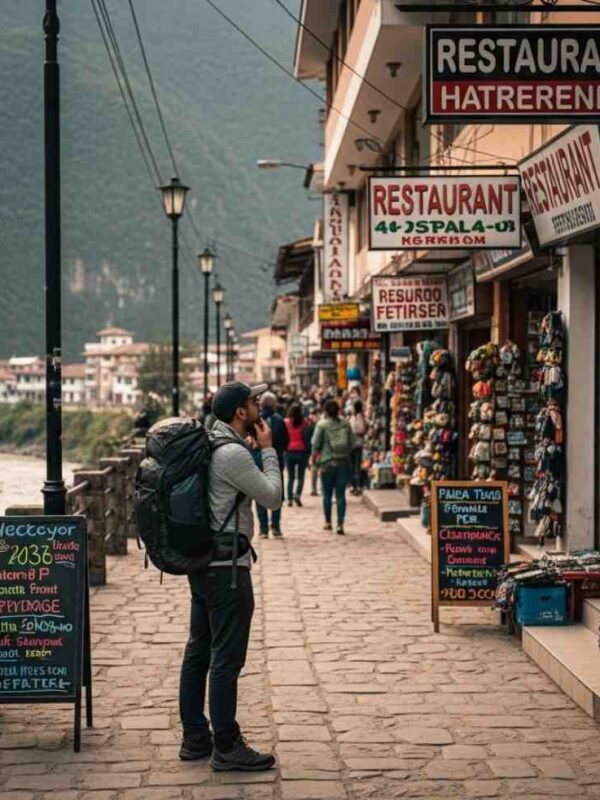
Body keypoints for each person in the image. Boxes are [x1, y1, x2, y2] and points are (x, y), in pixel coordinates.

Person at [178, 381, 281, 772]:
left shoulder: (210, 444)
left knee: (198, 649)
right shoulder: (234, 454)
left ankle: (194, 737)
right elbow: (272, 497)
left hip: (202, 563)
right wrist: (268, 451)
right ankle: (226, 744)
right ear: (241, 412)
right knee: (226, 657)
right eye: (254, 402)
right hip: (228, 570)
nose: (259, 406)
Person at [311, 399, 355, 535]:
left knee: (327, 494)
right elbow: (352, 443)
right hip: (342, 462)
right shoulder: (346, 424)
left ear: (325, 411)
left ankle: (328, 522)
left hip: (327, 463)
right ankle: (340, 525)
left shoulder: (322, 425)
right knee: (341, 495)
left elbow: (315, 444)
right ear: (338, 410)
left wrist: (314, 461)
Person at [255, 392, 289, 537]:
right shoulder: (279, 419)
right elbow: (285, 440)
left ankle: (263, 529)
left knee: (260, 494)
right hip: (276, 460)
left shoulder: (256, 420)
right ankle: (275, 527)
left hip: (258, 461)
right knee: (277, 493)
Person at [284, 402, 310, 507]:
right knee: (300, 476)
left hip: (289, 451)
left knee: (290, 477)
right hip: (302, 451)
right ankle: (297, 495)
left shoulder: (286, 422)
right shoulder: (304, 423)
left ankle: (289, 499)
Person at [349, 399, 367, 495]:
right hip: (352, 444)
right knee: (353, 466)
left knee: (356, 466)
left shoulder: (359, 417)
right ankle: (354, 485)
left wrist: (353, 431)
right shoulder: (353, 417)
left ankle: (357, 486)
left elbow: (361, 429)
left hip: (357, 444)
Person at [305, 408, 320, 496]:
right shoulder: (315, 424)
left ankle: (314, 489)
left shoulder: (317, 423)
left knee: (315, 469)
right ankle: (314, 489)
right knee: (315, 469)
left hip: (314, 448)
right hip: (314, 449)